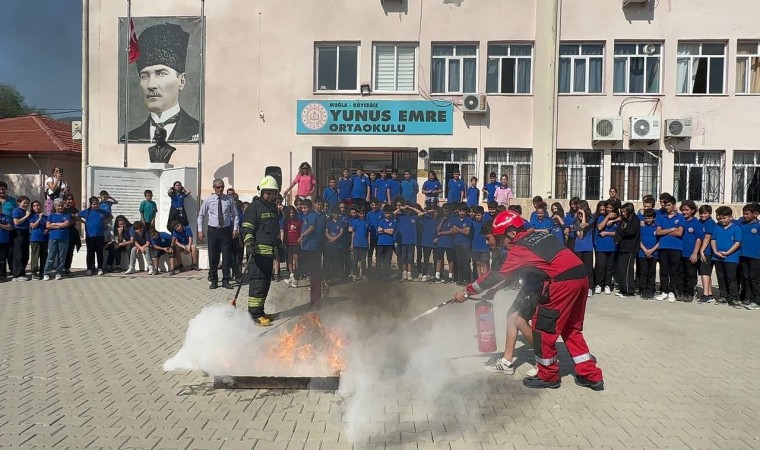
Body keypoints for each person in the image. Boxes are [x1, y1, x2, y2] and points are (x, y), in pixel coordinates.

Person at [452, 210, 604, 391]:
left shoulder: (519, 248)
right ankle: (590, 375)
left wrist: (467, 291)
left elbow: (495, 276)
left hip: (561, 283)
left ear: (511, 233)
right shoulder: (538, 236)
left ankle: (548, 375)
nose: (502, 243)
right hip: (581, 277)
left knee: (543, 330)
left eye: (501, 238)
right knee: (571, 329)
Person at [125, 23, 200, 143]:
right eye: (144, 76)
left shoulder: (201, 132)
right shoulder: (129, 139)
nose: (151, 85)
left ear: (181, 81)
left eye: (161, 73)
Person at [240, 176, 282, 325]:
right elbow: (247, 227)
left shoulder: (273, 208)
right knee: (257, 284)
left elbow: (274, 231)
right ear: (261, 192)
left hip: (268, 253)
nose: (270, 195)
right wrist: (249, 243)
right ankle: (254, 314)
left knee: (265, 283)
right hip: (256, 253)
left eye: (273, 192)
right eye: (268, 192)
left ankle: (261, 310)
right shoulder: (254, 207)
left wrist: (279, 245)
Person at [197, 178, 239, 289]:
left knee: (226, 256)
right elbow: (201, 215)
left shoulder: (229, 200)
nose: (220, 189)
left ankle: (226, 280)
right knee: (213, 256)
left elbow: (235, 215)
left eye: (222, 187)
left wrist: (235, 229)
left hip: (225, 231)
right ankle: (214, 280)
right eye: (218, 187)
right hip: (213, 231)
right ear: (214, 188)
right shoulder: (208, 200)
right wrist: (200, 230)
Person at [654, 195, 684, 302]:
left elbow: (679, 232)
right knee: (664, 270)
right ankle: (664, 291)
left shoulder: (680, 217)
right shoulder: (661, 217)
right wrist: (671, 229)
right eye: (665, 205)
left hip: (676, 247)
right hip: (663, 247)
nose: (666, 207)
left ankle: (672, 291)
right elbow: (658, 232)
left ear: (674, 205)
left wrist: (665, 231)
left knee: (674, 270)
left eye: (669, 205)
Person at [712, 206, 742, 306]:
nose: (722, 220)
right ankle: (723, 296)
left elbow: (737, 242)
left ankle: (733, 297)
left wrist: (728, 252)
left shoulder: (736, 228)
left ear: (730, 217)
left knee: (731, 277)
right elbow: (713, 240)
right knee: (721, 277)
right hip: (717, 256)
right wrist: (716, 252)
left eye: (724, 218)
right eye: (720, 218)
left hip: (731, 257)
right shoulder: (717, 227)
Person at [679, 201, 703, 302]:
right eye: (683, 210)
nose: (684, 212)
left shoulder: (697, 223)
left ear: (692, 210)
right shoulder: (680, 220)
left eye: (687, 210)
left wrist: (695, 253)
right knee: (680, 273)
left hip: (690, 253)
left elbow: (699, 239)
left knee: (690, 273)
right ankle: (680, 291)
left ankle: (689, 292)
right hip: (679, 251)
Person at [615, 203, 640, 298]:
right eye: (622, 212)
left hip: (630, 248)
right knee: (622, 269)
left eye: (625, 211)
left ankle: (629, 291)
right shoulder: (623, 220)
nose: (623, 213)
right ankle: (623, 288)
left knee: (627, 270)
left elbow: (630, 232)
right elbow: (618, 231)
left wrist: (621, 232)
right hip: (622, 247)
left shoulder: (635, 219)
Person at [594, 202, 619, 295]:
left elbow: (618, 233)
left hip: (612, 247)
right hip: (601, 247)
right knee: (601, 267)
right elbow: (600, 227)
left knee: (609, 267)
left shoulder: (617, 219)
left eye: (610, 208)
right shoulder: (601, 217)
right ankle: (599, 285)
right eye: (607, 208)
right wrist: (608, 217)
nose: (608, 209)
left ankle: (607, 284)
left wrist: (607, 233)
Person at [43, 198, 72, 280]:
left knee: (61, 256)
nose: (60, 207)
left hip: (64, 238)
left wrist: (54, 224)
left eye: (62, 206)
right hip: (53, 238)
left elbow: (66, 224)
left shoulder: (66, 215)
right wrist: (60, 225)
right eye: (58, 206)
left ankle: (59, 272)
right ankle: (47, 272)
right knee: (51, 255)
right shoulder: (51, 215)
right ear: (55, 206)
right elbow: (48, 226)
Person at [80, 196, 109, 276]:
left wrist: (105, 223)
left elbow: (110, 217)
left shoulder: (102, 211)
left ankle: (100, 268)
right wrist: (83, 222)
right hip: (90, 236)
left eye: (97, 204)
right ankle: (89, 268)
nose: (95, 205)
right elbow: (76, 216)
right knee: (90, 253)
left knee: (99, 252)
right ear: (90, 204)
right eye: (94, 204)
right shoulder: (86, 212)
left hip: (100, 235)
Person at [394, 202, 423, 281]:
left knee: (410, 258)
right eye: (406, 210)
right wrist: (401, 208)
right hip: (403, 241)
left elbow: (421, 213)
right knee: (404, 258)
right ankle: (404, 273)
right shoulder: (401, 217)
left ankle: (409, 274)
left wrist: (411, 207)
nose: (407, 211)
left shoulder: (414, 217)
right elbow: (393, 214)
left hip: (412, 241)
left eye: (408, 210)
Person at [739, 203, 760, 309]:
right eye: (744, 214)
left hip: (756, 256)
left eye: (747, 214)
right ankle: (748, 297)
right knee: (746, 277)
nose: (745, 216)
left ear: (755, 214)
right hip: (743, 255)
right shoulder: (741, 223)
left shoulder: (758, 226)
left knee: (754, 278)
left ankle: (757, 301)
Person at [638, 209, 659, 299]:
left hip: (654, 253)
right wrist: (645, 250)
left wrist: (651, 250)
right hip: (642, 253)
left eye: (650, 218)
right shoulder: (641, 227)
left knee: (651, 273)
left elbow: (660, 241)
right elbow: (639, 240)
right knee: (643, 273)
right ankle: (642, 290)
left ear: (654, 218)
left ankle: (651, 290)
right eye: (646, 218)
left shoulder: (657, 227)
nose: (648, 220)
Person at [11, 196, 32, 281]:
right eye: (24, 203)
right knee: (19, 253)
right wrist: (26, 216)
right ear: (19, 203)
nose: (26, 204)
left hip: (26, 232)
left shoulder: (26, 211)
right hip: (18, 233)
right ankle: (17, 275)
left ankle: (22, 273)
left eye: (27, 203)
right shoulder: (16, 210)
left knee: (25, 254)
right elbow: (16, 222)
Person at [451, 205, 473, 284]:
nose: (462, 213)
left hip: (466, 244)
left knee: (466, 261)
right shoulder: (454, 219)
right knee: (459, 261)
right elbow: (453, 231)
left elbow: (467, 232)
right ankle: (460, 279)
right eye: (460, 211)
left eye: (463, 211)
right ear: (457, 211)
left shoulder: (468, 220)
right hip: (457, 243)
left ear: (466, 212)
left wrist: (458, 229)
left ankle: (467, 279)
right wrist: (462, 230)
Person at [29, 201, 48, 280]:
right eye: (34, 206)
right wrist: (39, 218)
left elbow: (48, 226)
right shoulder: (32, 216)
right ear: (32, 208)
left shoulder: (46, 217)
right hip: (35, 239)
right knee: (35, 256)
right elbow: (33, 226)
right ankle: (34, 273)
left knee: (44, 256)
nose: (37, 207)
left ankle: (43, 272)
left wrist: (47, 230)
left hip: (44, 238)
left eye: (38, 205)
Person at [348, 206, 369, 281]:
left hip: (364, 245)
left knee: (363, 261)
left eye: (363, 213)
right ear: (358, 214)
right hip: (356, 244)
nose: (362, 215)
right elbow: (353, 232)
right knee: (355, 261)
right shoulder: (355, 222)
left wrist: (368, 244)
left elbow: (368, 234)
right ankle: (354, 274)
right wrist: (352, 244)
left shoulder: (367, 222)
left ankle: (363, 275)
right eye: (360, 213)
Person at [376, 205, 396, 280]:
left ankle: (386, 276)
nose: (387, 215)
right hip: (380, 243)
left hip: (389, 244)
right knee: (379, 260)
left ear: (391, 213)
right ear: (384, 213)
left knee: (387, 261)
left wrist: (384, 230)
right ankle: (378, 276)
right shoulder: (381, 221)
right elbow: (379, 230)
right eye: (386, 213)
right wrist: (386, 230)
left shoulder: (393, 221)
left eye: (389, 213)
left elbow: (391, 232)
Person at [283, 205, 301, 287]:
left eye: (293, 213)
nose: (292, 214)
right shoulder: (285, 222)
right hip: (288, 243)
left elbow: (300, 232)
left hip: (296, 243)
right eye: (290, 213)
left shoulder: (298, 222)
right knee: (289, 259)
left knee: (296, 259)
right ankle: (291, 274)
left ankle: (297, 275)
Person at [0, 209, 11, 281]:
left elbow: (9, 227)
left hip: (3, 241)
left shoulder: (5, 217)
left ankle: (2, 275)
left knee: (2, 259)